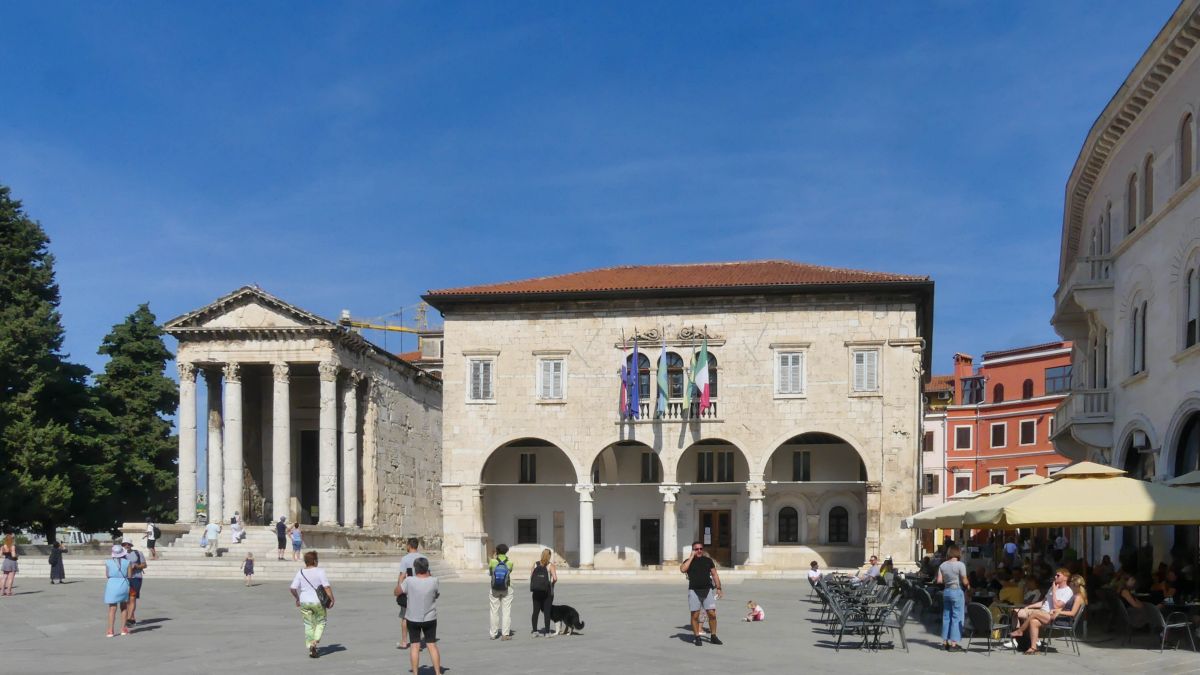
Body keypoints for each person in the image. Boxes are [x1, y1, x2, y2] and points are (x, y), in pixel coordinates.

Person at [1008, 568, 1073, 655]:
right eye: (1055, 574)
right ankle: (1031, 646)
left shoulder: (1068, 591)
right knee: (1016, 612)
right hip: (1041, 612)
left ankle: (1020, 631)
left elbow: (1057, 605)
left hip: (1052, 615)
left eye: (1058, 575)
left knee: (1035, 613)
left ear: (1065, 578)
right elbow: (1043, 602)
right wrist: (1029, 606)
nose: (1055, 576)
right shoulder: (1052, 587)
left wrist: (1054, 591)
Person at [399, 557, 442, 675]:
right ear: (427, 568)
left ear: (415, 568)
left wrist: (403, 580)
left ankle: (415, 673)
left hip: (413, 618)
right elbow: (436, 594)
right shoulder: (434, 580)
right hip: (430, 617)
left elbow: (397, 591)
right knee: (432, 644)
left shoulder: (409, 581)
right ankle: (438, 672)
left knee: (414, 646)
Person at [289, 550, 334, 659]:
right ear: (314, 561)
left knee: (308, 624)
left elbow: (293, 588)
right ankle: (314, 642)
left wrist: (297, 598)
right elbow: (326, 587)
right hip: (318, 601)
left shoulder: (300, 572)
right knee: (321, 621)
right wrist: (331, 598)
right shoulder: (320, 571)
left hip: (304, 601)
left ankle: (310, 645)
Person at [681, 540, 723, 646]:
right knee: (695, 615)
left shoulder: (708, 560)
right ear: (693, 550)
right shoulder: (688, 561)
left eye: (701, 549)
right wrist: (691, 557)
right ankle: (697, 637)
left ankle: (713, 636)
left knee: (712, 614)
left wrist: (719, 588)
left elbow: (714, 574)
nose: (699, 551)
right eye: (696, 549)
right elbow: (682, 569)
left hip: (708, 590)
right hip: (694, 591)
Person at [395, 537, 429, 648]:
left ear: (409, 546)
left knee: (405, 616)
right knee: (419, 616)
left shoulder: (405, 559)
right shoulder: (424, 558)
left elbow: (402, 575)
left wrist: (399, 589)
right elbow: (428, 574)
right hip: (422, 590)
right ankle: (417, 642)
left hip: (409, 590)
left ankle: (404, 642)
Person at [936, 544, 969, 652]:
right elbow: (964, 581)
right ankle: (953, 644)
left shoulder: (942, 565)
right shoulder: (960, 565)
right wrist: (968, 585)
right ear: (958, 553)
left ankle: (944, 642)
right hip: (956, 591)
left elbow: (939, 581)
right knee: (956, 617)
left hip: (946, 591)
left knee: (946, 617)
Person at [103, 544, 132, 637]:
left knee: (112, 609)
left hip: (112, 584)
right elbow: (130, 576)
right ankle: (123, 629)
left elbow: (107, 575)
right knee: (123, 607)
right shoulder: (128, 562)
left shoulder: (108, 562)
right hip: (123, 584)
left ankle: (110, 630)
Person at [487, 543, 513, 640]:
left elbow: (490, 573)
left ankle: (493, 634)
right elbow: (509, 573)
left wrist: (494, 558)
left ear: (497, 551)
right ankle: (505, 634)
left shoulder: (493, 561)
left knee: (494, 610)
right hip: (507, 587)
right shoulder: (510, 562)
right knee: (506, 611)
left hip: (494, 587)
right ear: (506, 551)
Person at [529, 548, 557, 637]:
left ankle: (534, 631)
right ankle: (547, 632)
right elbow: (555, 578)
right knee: (547, 612)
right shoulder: (550, 565)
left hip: (536, 592)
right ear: (549, 556)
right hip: (547, 592)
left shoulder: (536, 564)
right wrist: (551, 584)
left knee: (535, 611)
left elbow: (531, 577)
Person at [121, 539, 147, 626]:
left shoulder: (138, 553)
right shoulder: (121, 554)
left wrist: (136, 566)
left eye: (128, 544)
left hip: (136, 578)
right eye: (124, 544)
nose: (126, 546)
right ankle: (132, 618)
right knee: (127, 599)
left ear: (131, 545)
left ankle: (129, 619)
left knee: (132, 598)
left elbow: (144, 565)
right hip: (125, 578)